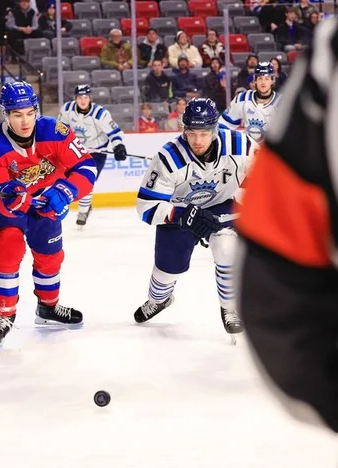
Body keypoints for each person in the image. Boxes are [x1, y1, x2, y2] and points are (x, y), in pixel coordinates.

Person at [236, 20, 338, 433]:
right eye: (258, 76)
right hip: (275, 166)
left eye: (266, 76)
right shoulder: (324, 69)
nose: (262, 82)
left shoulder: (301, 86)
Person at [0, 81, 96, 347]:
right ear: (5, 115)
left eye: (30, 113)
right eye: (17, 115)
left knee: (50, 256)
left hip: (46, 204)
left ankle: (48, 307)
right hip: (12, 212)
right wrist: (9, 195)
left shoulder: (54, 130)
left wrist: (66, 191)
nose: (25, 121)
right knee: (10, 245)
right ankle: (4, 314)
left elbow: (86, 166)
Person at [134, 98, 257, 338]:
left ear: (215, 129)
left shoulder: (240, 144)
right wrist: (182, 214)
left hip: (222, 204)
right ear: (184, 130)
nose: (198, 141)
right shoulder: (168, 158)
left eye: (204, 133)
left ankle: (230, 307)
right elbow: (146, 207)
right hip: (181, 212)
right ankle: (159, 300)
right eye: (192, 133)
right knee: (168, 270)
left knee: (226, 249)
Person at [58, 84, 127, 227]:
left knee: (87, 182)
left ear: (90, 98)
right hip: (75, 151)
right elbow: (60, 130)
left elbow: (115, 133)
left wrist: (119, 147)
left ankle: (83, 210)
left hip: (96, 153)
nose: (83, 101)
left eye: (85, 97)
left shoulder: (101, 114)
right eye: (79, 97)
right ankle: (83, 206)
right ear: (75, 98)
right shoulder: (67, 110)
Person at [219, 62, 281, 142]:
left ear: (273, 80)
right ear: (255, 80)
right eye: (260, 78)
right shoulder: (242, 99)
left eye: (267, 78)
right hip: (248, 150)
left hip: (270, 152)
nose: (263, 82)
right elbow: (224, 125)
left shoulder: (281, 102)